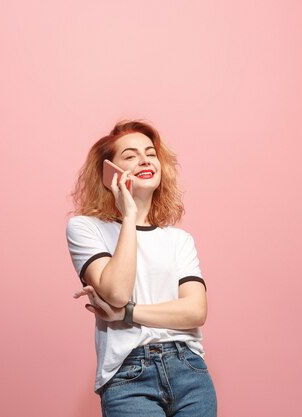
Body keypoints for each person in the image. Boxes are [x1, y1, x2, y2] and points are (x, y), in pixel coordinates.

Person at [66, 120, 217, 417]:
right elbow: (118, 292)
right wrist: (129, 214)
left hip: (190, 370)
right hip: (128, 377)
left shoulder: (179, 240)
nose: (145, 160)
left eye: (150, 153)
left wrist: (127, 315)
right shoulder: (85, 228)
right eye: (131, 156)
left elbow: (195, 312)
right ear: (109, 172)